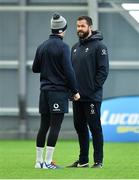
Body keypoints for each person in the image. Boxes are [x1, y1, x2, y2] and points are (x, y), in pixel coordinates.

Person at [32, 13, 80, 169]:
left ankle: (38, 162)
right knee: (55, 126)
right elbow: (69, 71)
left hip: (44, 91)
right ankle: (47, 162)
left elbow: (35, 68)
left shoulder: (42, 46)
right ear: (63, 29)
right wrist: (75, 90)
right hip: (58, 92)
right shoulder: (64, 47)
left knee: (43, 126)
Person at [67, 16, 109, 168]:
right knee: (80, 128)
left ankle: (98, 161)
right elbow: (70, 72)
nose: (79, 29)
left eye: (82, 26)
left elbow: (103, 71)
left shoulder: (100, 47)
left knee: (95, 128)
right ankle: (83, 160)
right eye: (78, 26)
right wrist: (72, 91)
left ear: (89, 27)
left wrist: (92, 89)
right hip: (77, 97)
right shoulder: (74, 48)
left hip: (92, 97)